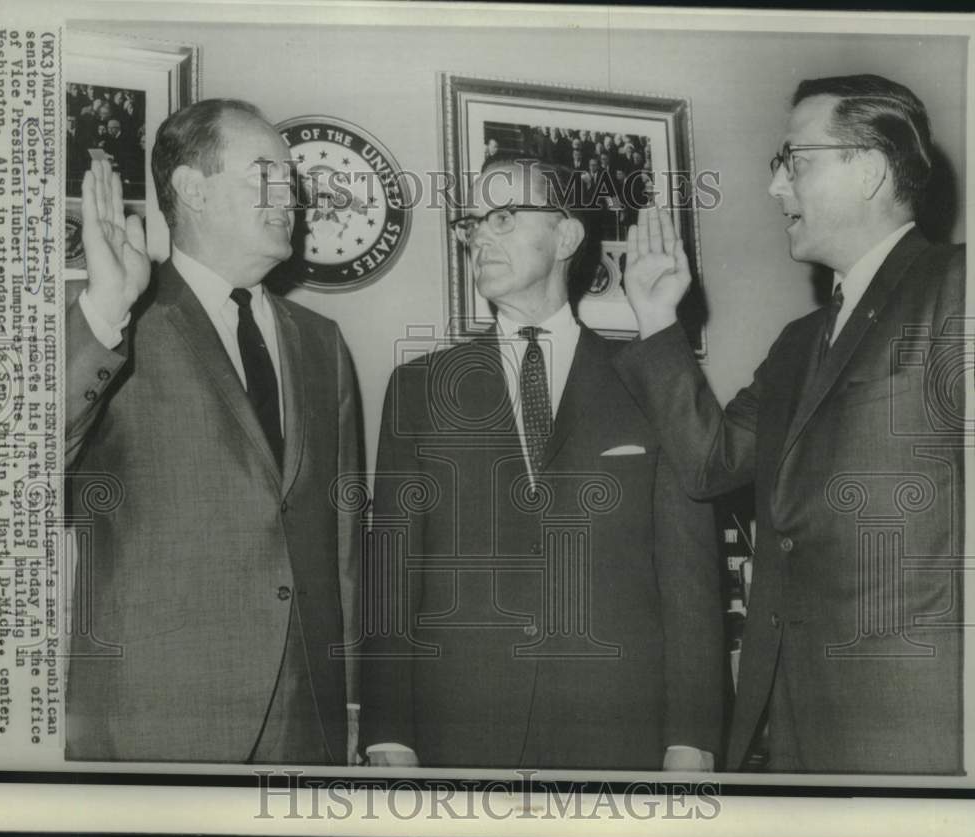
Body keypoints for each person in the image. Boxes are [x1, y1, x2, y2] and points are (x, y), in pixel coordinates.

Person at [615, 74, 965, 773]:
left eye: (795, 162)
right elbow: (710, 463)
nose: (777, 188)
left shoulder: (956, 288)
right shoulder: (798, 342)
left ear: (866, 169)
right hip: (791, 725)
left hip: (921, 724)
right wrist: (656, 317)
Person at [360, 157, 723, 771]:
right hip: (460, 732)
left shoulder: (652, 382)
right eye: (472, 222)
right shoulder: (419, 387)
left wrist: (693, 737)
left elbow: (689, 577)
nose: (479, 234)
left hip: (618, 731)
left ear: (565, 236)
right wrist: (388, 733)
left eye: (502, 216)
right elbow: (392, 576)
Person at [65, 98, 363, 765]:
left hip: (303, 722)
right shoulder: (120, 320)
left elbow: (342, 542)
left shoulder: (321, 342)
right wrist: (105, 307)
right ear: (192, 188)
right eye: (267, 173)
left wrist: (347, 702)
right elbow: (22, 467)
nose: (294, 194)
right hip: (155, 716)